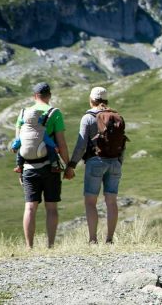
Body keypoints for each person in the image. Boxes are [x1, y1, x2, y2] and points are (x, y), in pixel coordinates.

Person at [17, 82, 75, 249]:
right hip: (51, 166)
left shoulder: (23, 113)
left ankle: (29, 246)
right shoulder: (54, 113)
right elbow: (61, 144)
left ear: (34, 96)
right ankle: (50, 245)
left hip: (28, 167)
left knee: (29, 207)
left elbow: (19, 144)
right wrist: (68, 165)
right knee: (51, 207)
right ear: (49, 95)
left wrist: (20, 170)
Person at [66, 86, 126, 244]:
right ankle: (110, 239)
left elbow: (81, 145)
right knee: (111, 201)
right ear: (106, 100)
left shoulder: (88, 118)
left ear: (91, 99)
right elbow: (123, 144)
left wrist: (71, 165)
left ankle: (93, 239)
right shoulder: (116, 116)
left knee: (91, 202)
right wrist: (119, 162)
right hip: (114, 162)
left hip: (95, 162)